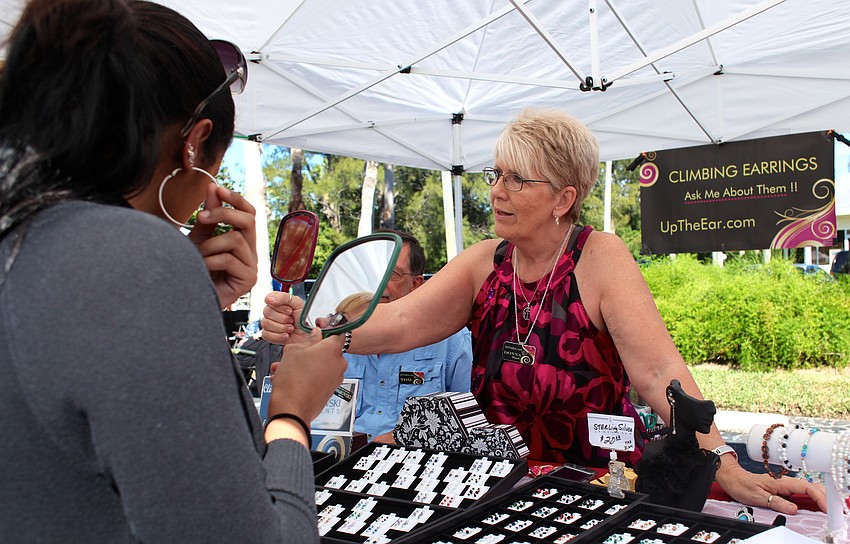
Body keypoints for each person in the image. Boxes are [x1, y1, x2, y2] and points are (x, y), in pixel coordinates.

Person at [262, 108, 827, 514]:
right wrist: (311, 326)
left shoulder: (599, 257)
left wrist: (723, 460)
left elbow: (659, 375)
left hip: (600, 489)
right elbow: (398, 324)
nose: (498, 192)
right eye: (497, 175)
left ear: (564, 198)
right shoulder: (485, 263)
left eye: (517, 179)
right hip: (497, 492)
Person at [0, 1, 346, 543]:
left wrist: (194, 306)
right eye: (216, 161)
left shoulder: (26, 232)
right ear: (194, 141)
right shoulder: (134, 259)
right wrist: (292, 414)